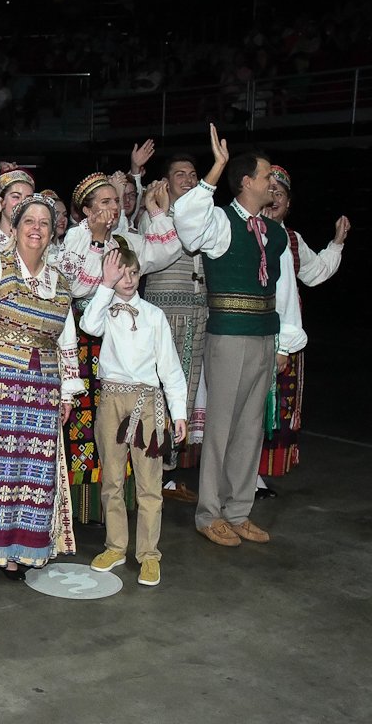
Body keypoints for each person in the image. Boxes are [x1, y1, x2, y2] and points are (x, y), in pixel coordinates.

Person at [0, 151, 84, 585]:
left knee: (28, 471)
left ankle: (14, 550)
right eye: (29, 222)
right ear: (16, 226)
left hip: (39, 387)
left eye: (44, 223)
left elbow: (66, 338)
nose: (37, 229)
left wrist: (66, 391)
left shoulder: (59, 281)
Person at [171, 125, 306, 547]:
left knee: (250, 429)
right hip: (228, 337)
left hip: (264, 339)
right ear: (247, 182)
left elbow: (284, 293)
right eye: (267, 177)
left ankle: (239, 510)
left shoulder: (278, 233)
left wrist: (284, 343)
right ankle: (210, 513)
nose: (273, 183)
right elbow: (187, 221)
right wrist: (217, 168)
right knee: (221, 428)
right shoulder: (220, 222)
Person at [57, 170, 180, 523]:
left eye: (116, 201)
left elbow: (166, 251)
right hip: (79, 342)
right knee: (85, 430)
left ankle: (115, 513)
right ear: (86, 210)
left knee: (119, 434)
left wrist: (157, 211)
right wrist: (95, 238)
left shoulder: (122, 243)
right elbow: (76, 288)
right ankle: (80, 509)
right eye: (106, 202)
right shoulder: (74, 240)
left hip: (112, 348)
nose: (114, 208)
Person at [81, 248, 188, 588]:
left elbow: (170, 368)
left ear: (141, 275)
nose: (127, 280)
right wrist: (105, 285)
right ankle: (115, 546)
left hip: (147, 401)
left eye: (132, 273)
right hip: (112, 398)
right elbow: (88, 324)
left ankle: (149, 554)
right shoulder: (105, 310)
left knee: (149, 483)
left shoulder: (154, 315)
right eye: (119, 273)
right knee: (112, 480)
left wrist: (179, 412)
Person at [256, 165, 349, 492]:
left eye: (280, 194)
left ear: (289, 203)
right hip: (255, 330)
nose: (274, 198)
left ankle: (262, 470)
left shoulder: (293, 240)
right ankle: (245, 474)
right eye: (270, 191)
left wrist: (336, 243)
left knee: (279, 402)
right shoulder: (248, 233)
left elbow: (315, 271)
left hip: (287, 333)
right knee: (251, 404)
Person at [137, 152, 209, 501]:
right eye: (180, 173)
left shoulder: (204, 215)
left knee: (186, 392)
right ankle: (151, 472)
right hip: (164, 313)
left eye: (193, 173)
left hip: (196, 314)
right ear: (166, 181)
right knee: (158, 393)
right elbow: (146, 257)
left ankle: (168, 473)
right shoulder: (153, 215)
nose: (188, 179)